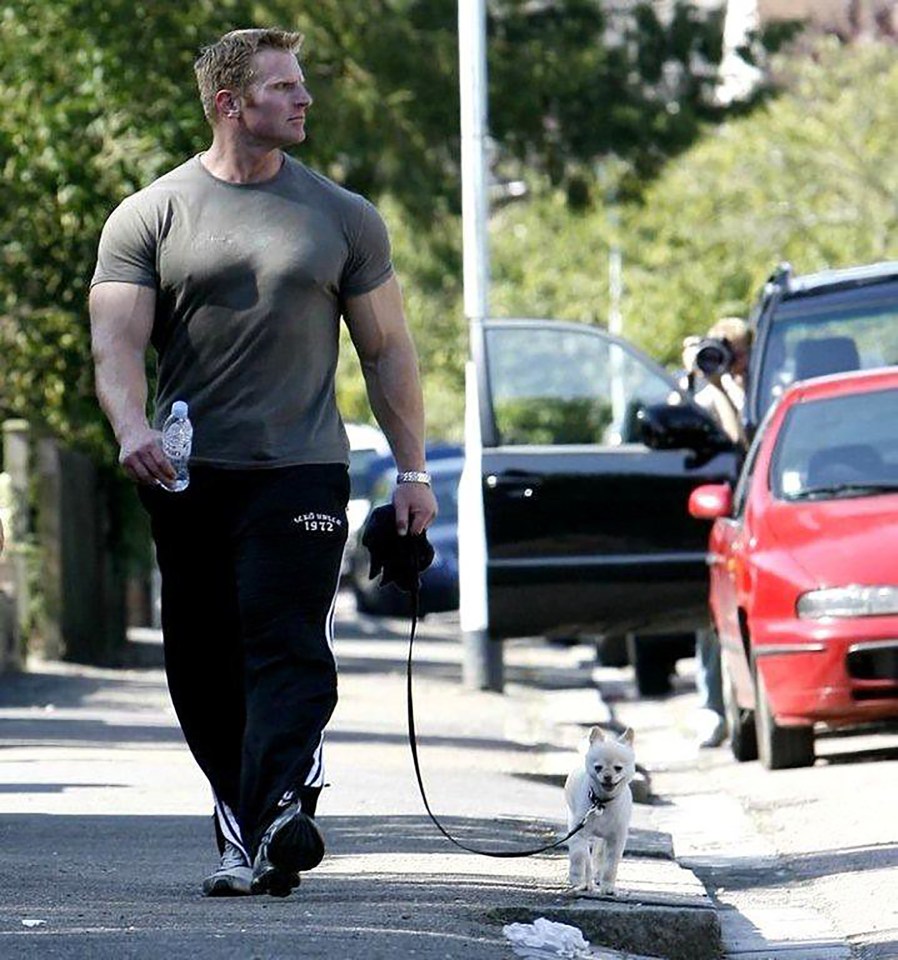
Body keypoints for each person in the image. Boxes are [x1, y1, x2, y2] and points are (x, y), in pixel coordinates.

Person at [89, 27, 437, 898]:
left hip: (302, 470)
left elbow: (388, 351)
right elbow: (116, 345)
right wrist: (131, 426)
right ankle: (248, 824)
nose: (304, 98)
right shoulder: (150, 215)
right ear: (228, 105)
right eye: (284, 87)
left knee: (284, 641)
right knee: (200, 658)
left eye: (301, 83)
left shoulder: (343, 216)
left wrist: (415, 472)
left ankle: (281, 807)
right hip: (189, 474)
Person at [682, 317, 752, 748]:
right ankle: (712, 707)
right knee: (711, 616)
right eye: (720, 348)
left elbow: (740, 438)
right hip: (718, 514)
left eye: (736, 350)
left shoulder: (761, 384)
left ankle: (742, 704)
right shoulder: (702, 392)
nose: (729, 358)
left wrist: (726, 385)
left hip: (752, 506)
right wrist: (697, 375)